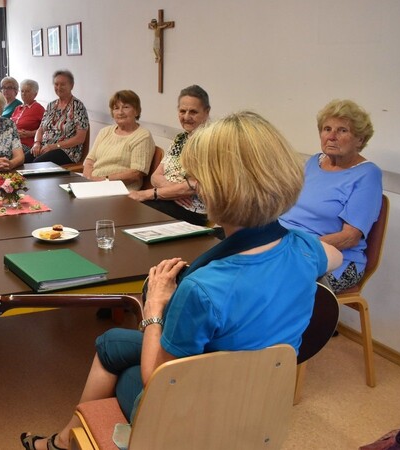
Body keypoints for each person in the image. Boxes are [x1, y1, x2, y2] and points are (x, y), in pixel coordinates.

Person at [19, 111, 342, 450]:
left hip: (194, 411)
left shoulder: (202, 289)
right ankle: (65, 440)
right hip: (259, 400)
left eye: (198, 178)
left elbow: (159, 378)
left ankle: (66, 442)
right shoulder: (305, 249)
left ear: (217, 189)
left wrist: (155, 306)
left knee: (130, 374)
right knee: (112, 341)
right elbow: (334, 257)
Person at [280, 99, 383, 292]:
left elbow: (349, 237)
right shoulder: (312, 162)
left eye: (342, 130)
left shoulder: (367, 174)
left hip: (334, 259)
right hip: (286, 245)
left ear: (359, 139)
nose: (332, 136)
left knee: (269, 278)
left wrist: (295, 248)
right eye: (327, 129)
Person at [128, 85, 210, 225]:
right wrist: (173, 191)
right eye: (182, 111)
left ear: (206, 112)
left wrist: (151, 193)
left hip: (190, 210)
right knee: (127, 210)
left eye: (193, 112)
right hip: (167, 200)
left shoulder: (209, 142)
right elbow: (155, 177)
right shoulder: (180, 139)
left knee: (133, 215)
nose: (186, 117)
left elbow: (196, 186)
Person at [83, 90, 155, 190]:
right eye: (116, 108)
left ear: (137, 111)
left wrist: (103, 180)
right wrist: (87, 179)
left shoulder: (142, 136)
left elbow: (135, 174)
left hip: (120, 191)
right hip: (94, 185)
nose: (120, 112)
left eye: (126, 107)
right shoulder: (105, 132)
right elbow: (90, 161)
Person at [27, 70, 89, 165]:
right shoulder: (51, 105)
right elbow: (40, 129)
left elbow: (80, 138)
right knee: (21, 161)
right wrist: (37, 143)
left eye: (63, 84)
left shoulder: (78, 106)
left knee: (36, 165)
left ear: (71, 85)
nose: (59, 87)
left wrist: (54, 146)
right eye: (56, 84)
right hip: (45, 147)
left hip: (67, 151)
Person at [11, 79, 45, 153]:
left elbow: (47, 129)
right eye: (22, 91)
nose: (24, 94)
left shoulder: (38, 108)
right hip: (12, 141)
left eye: (27, 91)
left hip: (26, 144)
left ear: (35, 94)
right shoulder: (18, 108)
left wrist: (30, 133)